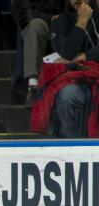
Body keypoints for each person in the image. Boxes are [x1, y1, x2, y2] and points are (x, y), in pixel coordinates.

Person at [37, 0, 99, 137]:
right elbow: (67, 53)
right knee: (67, 96)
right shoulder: (59, 22)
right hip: (76, 79)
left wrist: (86, 55)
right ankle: (73, 147)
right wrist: (82, 21)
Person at [11, 0, 64, 106]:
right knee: (36, 26)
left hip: (63, 23)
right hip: (39, 23)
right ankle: (33, 86)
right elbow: (24, 13)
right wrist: (50, 18)